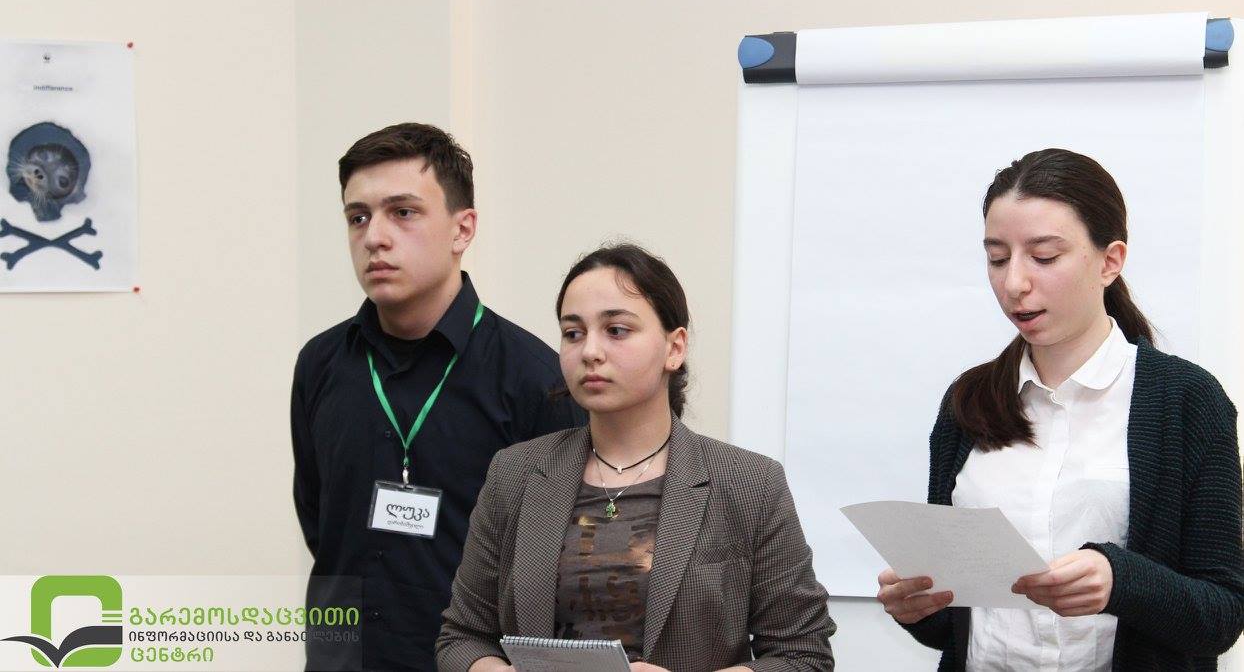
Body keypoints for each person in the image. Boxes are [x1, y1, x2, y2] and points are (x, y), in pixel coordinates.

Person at [877, 149, 1244, 670]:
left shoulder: (1186, 399)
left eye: (1045, 257)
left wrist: (1120, 580)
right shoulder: (968, 401)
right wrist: (917, 606)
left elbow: (1221, 615)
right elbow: (956, 625)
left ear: (1110, 261)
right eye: (997, 258)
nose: (1014, 284)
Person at [436, 244, 836, 672]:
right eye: (573, 333)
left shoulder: (750, 482)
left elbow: (803, 655)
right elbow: (462, 637)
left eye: (616, 330)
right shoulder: (515, 473)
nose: (590, 351)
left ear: (674, 348)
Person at [290, 123, 585, 671]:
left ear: (462, 229)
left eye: (402, 212)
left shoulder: (535, 379)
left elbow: (558, 562)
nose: (374, 237)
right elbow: (319, 519)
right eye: (358, 217)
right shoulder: (320, 363)